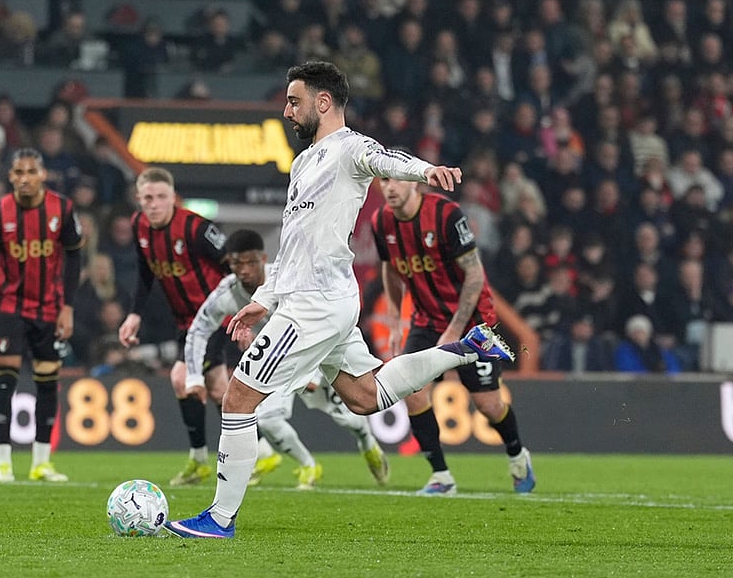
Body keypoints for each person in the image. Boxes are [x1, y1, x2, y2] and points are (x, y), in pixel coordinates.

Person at [165, 61, 513, 539]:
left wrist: (428, 171)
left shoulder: (350, 148)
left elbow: (386, 159)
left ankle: (220, 518)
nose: (287, 110)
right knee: (363, 396)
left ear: (322, 102)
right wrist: (264, 297)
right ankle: (467, 348)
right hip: (319, 298)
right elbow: (291, 247)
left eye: (294, 100)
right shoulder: (303, 162)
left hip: (316, 304)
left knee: (239, 399)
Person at [185, 229, 390, 490]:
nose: (244, 270)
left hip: (319, 352)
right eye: (237, 263)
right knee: (267, 419)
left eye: (250, 262)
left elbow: (320, 318)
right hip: (278, 361)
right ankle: (308, 465)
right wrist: (193, 375)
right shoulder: (227, 293)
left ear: (263, 259)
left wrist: (314, 373)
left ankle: (366, 441)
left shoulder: (289, 277)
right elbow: (198, 330)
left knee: (349, 416)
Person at [371, 172, 536, 496]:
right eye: (384, 180)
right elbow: (390, 268)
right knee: (413, 392)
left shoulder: (445, 215)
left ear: (415, 182)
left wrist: (455, 330)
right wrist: (393, 317)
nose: (389, 187)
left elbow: (475, 274)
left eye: (396, 180)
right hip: (426, 319)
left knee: (488, 404)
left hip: (473, 321)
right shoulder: (382, 222)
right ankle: (441, 476)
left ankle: (518, 456)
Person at [0, 147, 85, 483]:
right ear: (10, 177)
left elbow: (73, 260)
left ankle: (41, 462)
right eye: (18, 172)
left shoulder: (62, 209)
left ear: (43, 175)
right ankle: (3, 464)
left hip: (49, 309)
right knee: (5, 379)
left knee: (48, 381)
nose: (24, 178)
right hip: (9, 307)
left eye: (31, 172)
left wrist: (67, 307)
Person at [118, 167, 231, 486]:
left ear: (173, 197)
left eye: (161, 197)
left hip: (214, 317)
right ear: (139, 200)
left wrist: (242, 310)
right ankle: (260, 450)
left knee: (181, 378)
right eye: (148, 198)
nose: (154, 204)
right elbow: (145, 273)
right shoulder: (139, 226)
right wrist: (134, 314)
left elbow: (233, 266)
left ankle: (199, 460)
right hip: (186, 322)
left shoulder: (195, 228)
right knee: (220, 389)